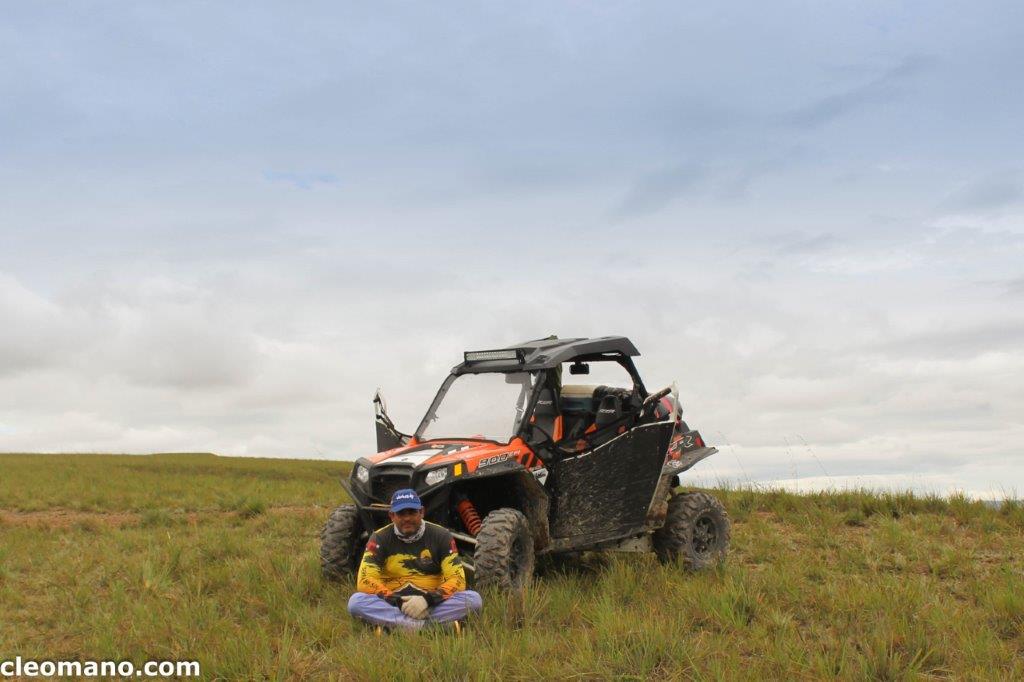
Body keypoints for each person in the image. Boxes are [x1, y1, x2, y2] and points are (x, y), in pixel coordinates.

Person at [347, 488, 482, 631]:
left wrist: (427, 601)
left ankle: (396, 627)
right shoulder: (379, 538)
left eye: (412, 512)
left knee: (474, 600)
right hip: (394, 604)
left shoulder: (442, 536)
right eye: (401, 513)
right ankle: (430, 628)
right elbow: (365, 580)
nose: (407, 518)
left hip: (431, 603)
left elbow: (457, 580)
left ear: (422, 512)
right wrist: (398, 602)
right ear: (392, 515)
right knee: (356, 602)